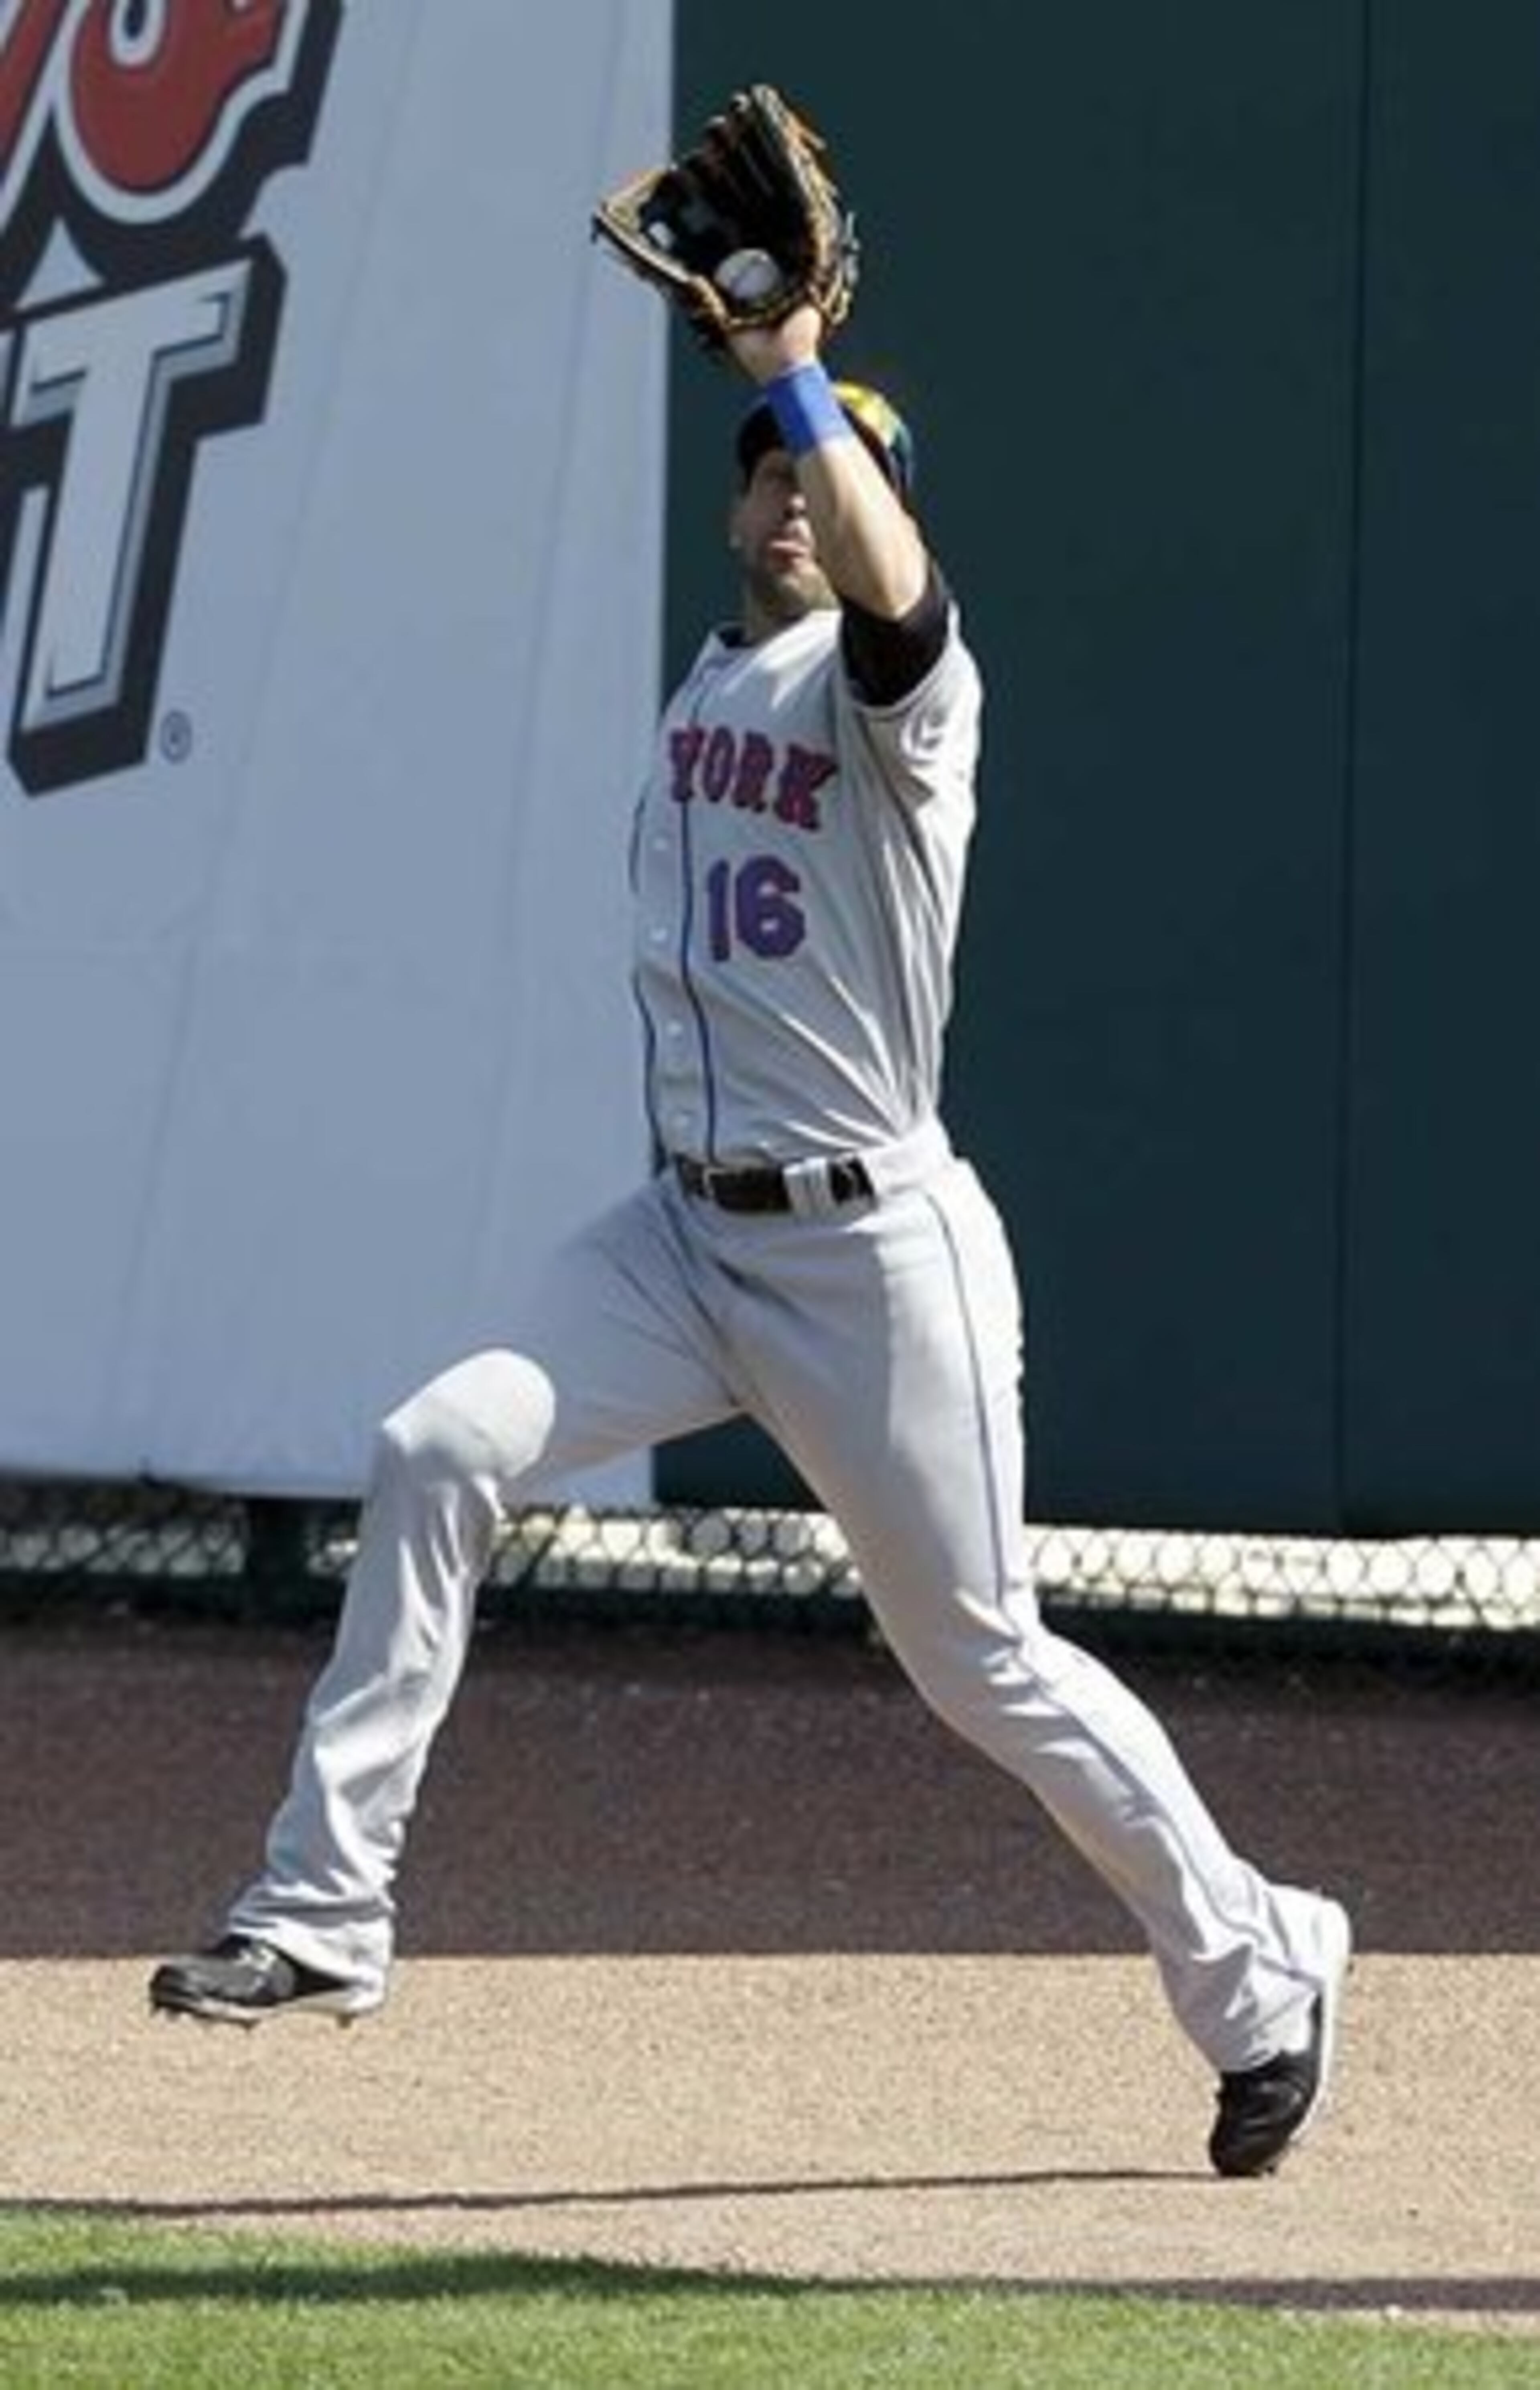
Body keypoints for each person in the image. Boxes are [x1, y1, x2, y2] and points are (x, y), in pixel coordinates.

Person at [150, 301, 1350, 2179]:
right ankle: (324, 1908)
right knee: (435, 1445)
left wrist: (797, 369)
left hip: (871, 1251)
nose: (796, 493)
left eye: (830, 469)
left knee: (981, 1660)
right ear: (731, 509)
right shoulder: (709, 685)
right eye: (771, 469)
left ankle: (1263, 1963)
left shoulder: (901, 698)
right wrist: (787, 401)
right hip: (683, 1241)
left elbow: (898, 588)